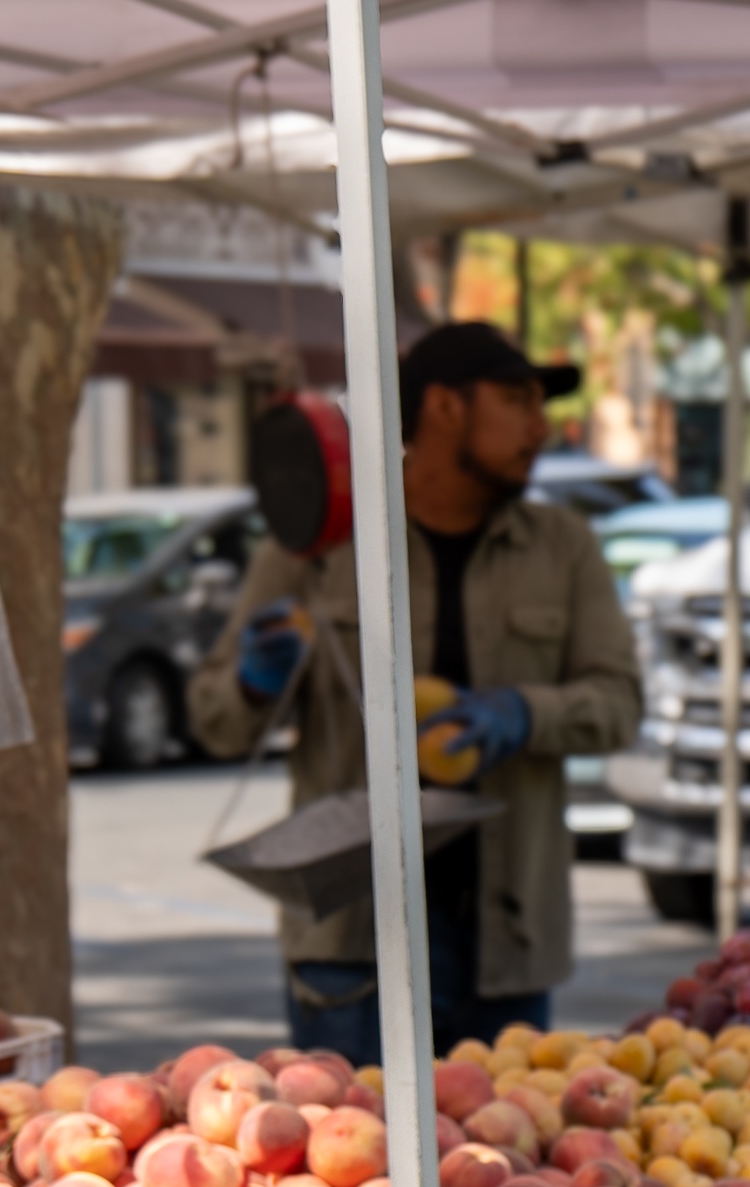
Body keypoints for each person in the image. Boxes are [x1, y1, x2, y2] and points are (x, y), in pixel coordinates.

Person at [192, 324, 642, 1060]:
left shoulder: (564, 549)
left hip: (506, 941)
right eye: (516, 399)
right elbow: (214, 722)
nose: (540, 425)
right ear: (443, 408)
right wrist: (251, 681)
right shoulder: (319, 545)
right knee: (361, 1166)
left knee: (507, 1171)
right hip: (354, 940)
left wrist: (525, 713)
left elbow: (620, 701)